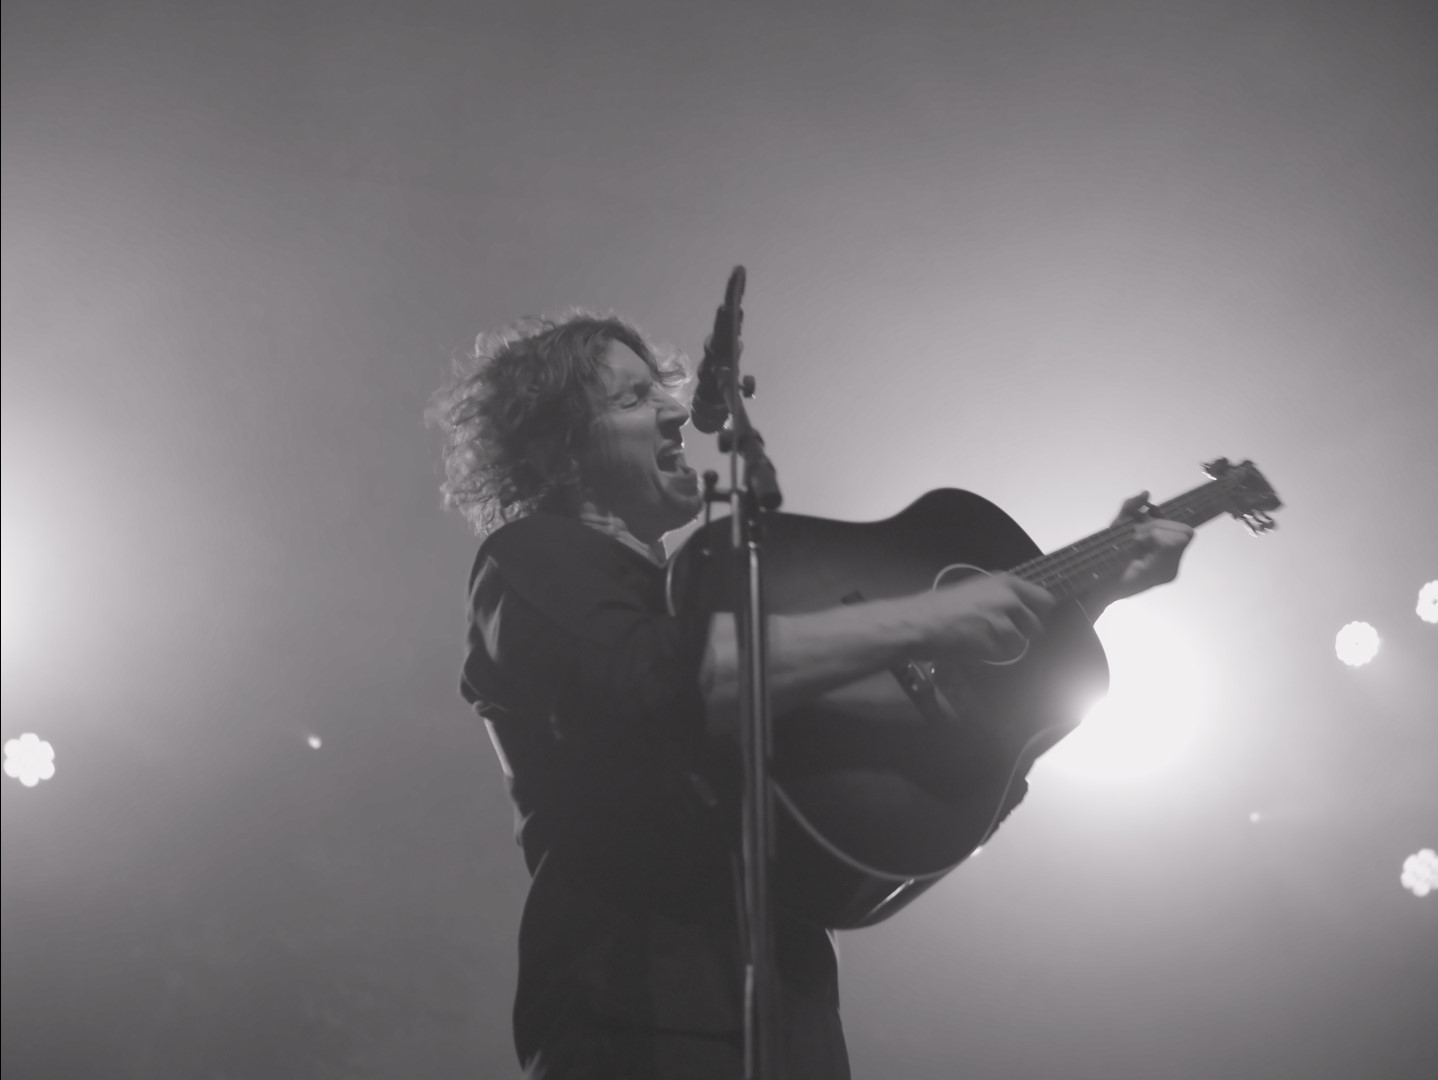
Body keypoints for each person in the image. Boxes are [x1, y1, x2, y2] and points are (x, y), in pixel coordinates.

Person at [425, 311, 1193, 1079]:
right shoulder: (530, 558)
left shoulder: (704, 598)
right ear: (558, 451)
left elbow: (898, 788)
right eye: (629, 402)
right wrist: (923, 621)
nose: (670, 413)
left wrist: (1087, 599)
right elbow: (652, 682)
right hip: (637, 1015)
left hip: (793, 1024)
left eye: (659, 392)